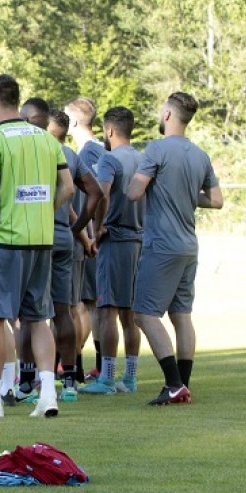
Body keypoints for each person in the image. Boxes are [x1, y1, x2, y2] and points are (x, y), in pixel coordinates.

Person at [0, 75, 73, 419]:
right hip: (42, 240)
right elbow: (68, 187)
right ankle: (48, 394)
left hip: (6, 240)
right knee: (39, 318)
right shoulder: (46, 138)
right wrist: (44, 211)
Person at [127, 92, 222, 405]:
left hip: (162, 245)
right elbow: (216, 200)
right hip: (188, 245)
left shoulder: (156, 148)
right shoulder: (199, 154)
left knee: (144, 314)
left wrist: (152, 183)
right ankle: (183, 385)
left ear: (168, 114)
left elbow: (134, 192)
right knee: (181, 314)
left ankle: (172, 383)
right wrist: (183, 194)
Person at [19, 103, 102, 403]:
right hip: (63, 240)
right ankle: (69, 380)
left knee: (30, 315)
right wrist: (78, 228)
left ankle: (28, 381)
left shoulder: (30, 149)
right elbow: (96, 193)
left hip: (35, 238)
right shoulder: (69, 155)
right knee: (64, 311)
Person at [82, 106, 145, 395]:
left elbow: (103, 194)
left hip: (116, 239)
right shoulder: (143, 159)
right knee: (130, 314)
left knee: (107, 309)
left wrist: (97, 228)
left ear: (108, 131)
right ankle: (129, 378)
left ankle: (106, 378)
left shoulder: (109, 158)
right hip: (140, 241)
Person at [65, 96, 105, 379]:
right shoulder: (99, 148)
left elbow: (94, 196)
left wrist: (85, 233)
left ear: (75, 121)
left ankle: (73, 364)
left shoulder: (88, 153)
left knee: (81, 303)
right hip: (89, 235)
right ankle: (93, 365)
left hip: (87, 238)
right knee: (88, 303)